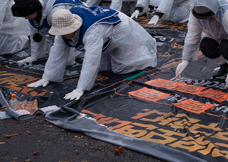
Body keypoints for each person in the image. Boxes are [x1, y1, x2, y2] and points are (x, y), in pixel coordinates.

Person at [27, 6, 157, 100]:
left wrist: (80, 88)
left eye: (66, 32)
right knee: (104, 68)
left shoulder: (91, 31)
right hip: (104, 33)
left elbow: (91, 60)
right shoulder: (61, 27)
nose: (63, 36)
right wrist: (47, 77)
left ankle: (144, 54)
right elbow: (57, 53)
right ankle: (109, 47)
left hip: (120, 27)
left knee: (121, 68)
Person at [11, 0, 84, 65]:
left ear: (35, 9)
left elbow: (66, 34)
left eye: (27, 15)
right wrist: (35, 56)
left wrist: (66, 61)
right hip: (65, 31)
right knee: (53, 54)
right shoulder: (34, 14)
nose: (26, 18)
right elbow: (35, 34)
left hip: (79, 25)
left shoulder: (55, 13)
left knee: (62, 52)